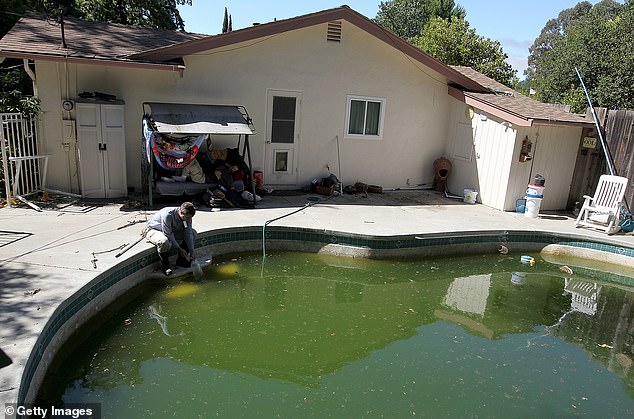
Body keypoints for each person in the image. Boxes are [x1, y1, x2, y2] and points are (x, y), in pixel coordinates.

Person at [145, 202, 197, 276]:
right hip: (154, 230)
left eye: (190, 218)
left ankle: (181, 261)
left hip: (171, 230)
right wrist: (179, 249)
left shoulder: (188, 217)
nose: (189, 220)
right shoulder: (168, 215)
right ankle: (165, 266)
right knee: (164, 241)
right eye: (187, 218)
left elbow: (188, 233)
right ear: (181, 213)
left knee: (193, 233)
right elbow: (168, 234)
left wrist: (192, 251)